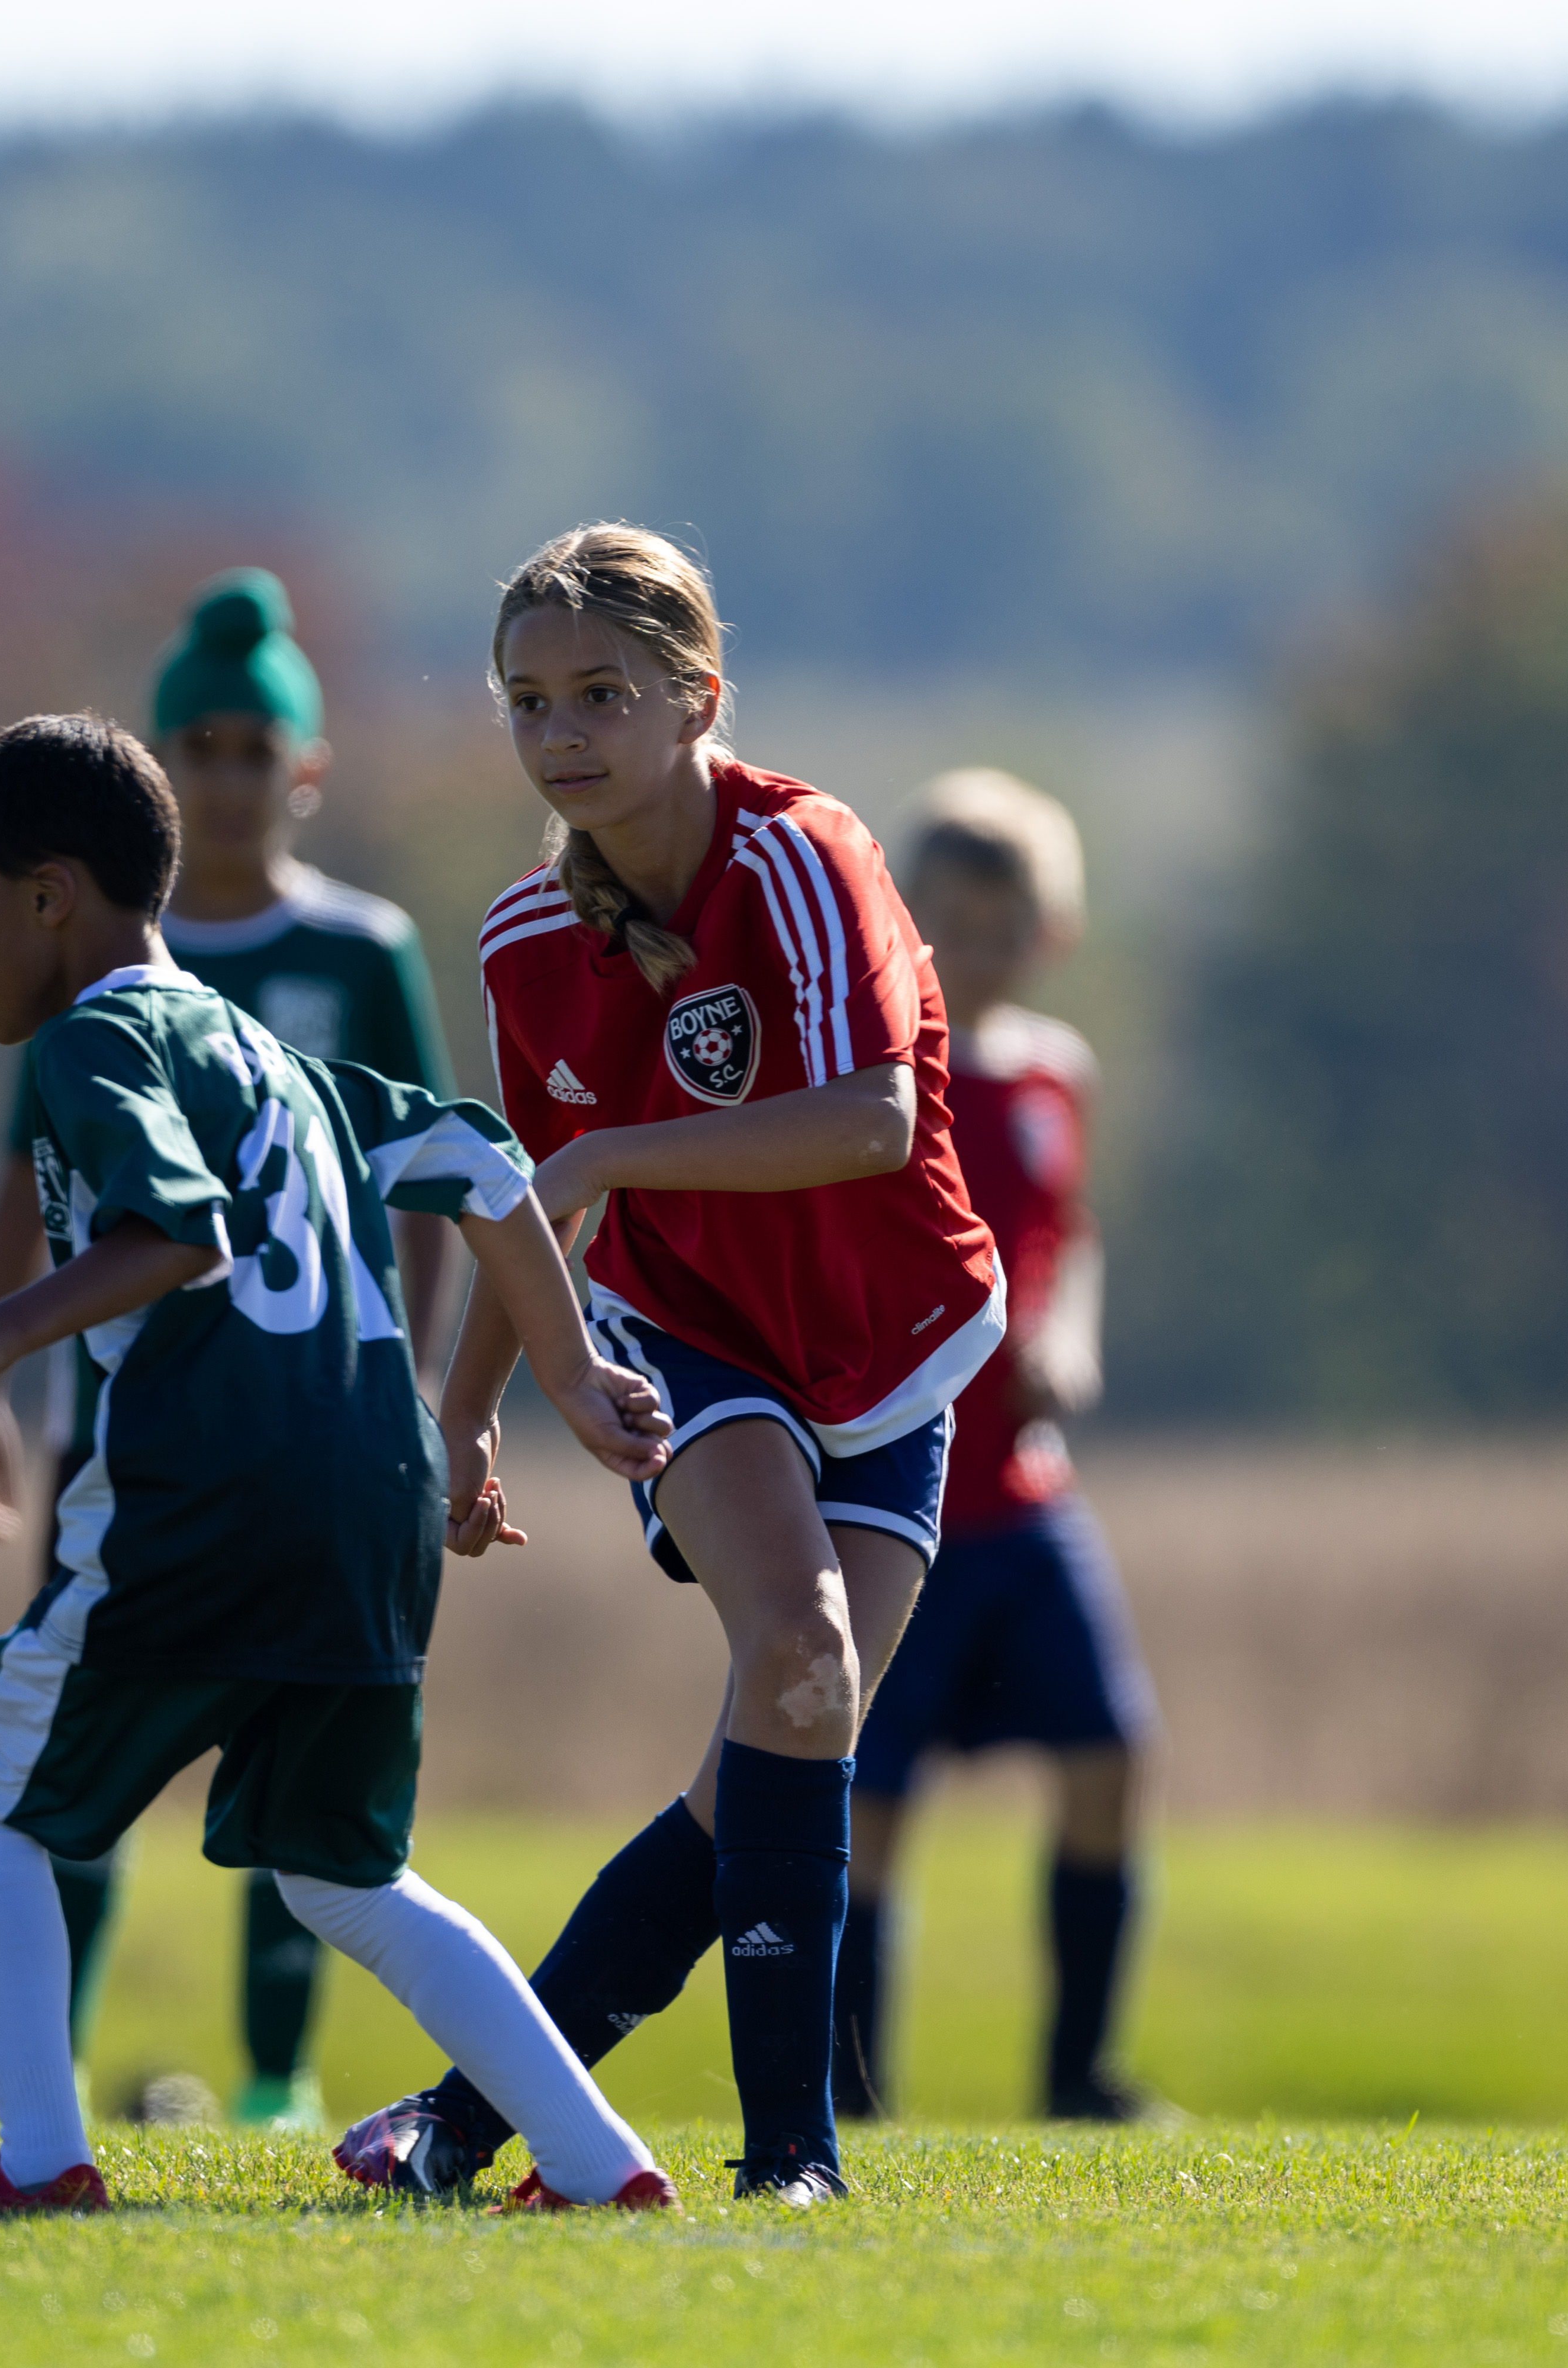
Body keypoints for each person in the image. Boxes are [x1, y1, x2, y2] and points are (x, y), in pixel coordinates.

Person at [0, 712, 678, 2215]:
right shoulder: (276, 1063)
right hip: (374, 1506)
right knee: (345, 1872)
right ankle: (597, 2161)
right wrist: (554, 1379)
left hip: (208, 1497)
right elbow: (489, 1166)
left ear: (49, 895)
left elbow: (179, 1227)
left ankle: (42, 2164)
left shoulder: (95, 1040)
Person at [333, 524, 1004, 2207]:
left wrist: (611, 1153)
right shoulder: (521, 939)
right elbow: (529, 1201)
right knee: (800, 1644)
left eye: (601, 694)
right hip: (688, 1329)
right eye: (528, 700)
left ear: (700, 696)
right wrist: (466, 1414)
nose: (559, 731)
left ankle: (461, 2123)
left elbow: (873, 1122)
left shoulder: (804, 854)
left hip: (894, 1340)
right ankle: (795, 2163)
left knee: (780, 1738)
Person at [0, 569, 457, 2133]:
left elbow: (438, 1172)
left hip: (305, 1422)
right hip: (124, 1429)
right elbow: (27, 1177)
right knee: (71, 1755)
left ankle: (273, 2078)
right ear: (165, 766)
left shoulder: (361, 951)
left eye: (258, 746)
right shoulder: (87, 956)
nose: (232, 775)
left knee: (292, 1762)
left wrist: (420, 1386)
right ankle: (47, 2070)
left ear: (306, 766)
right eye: (205, 746)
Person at [835, 769, 1160, 2123]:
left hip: (1026, 1497)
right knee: (869, 1807)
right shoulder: (872, 1073)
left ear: (1051, 932)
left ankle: (1078, 2077)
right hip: (899, 1497)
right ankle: (851, 2092)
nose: (973, 950)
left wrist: (1067, 1342)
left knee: (1111, 1756)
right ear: (905, 920)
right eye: (949, 922)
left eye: (1003, 925)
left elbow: (1068, 1238)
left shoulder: (1056, 1074)